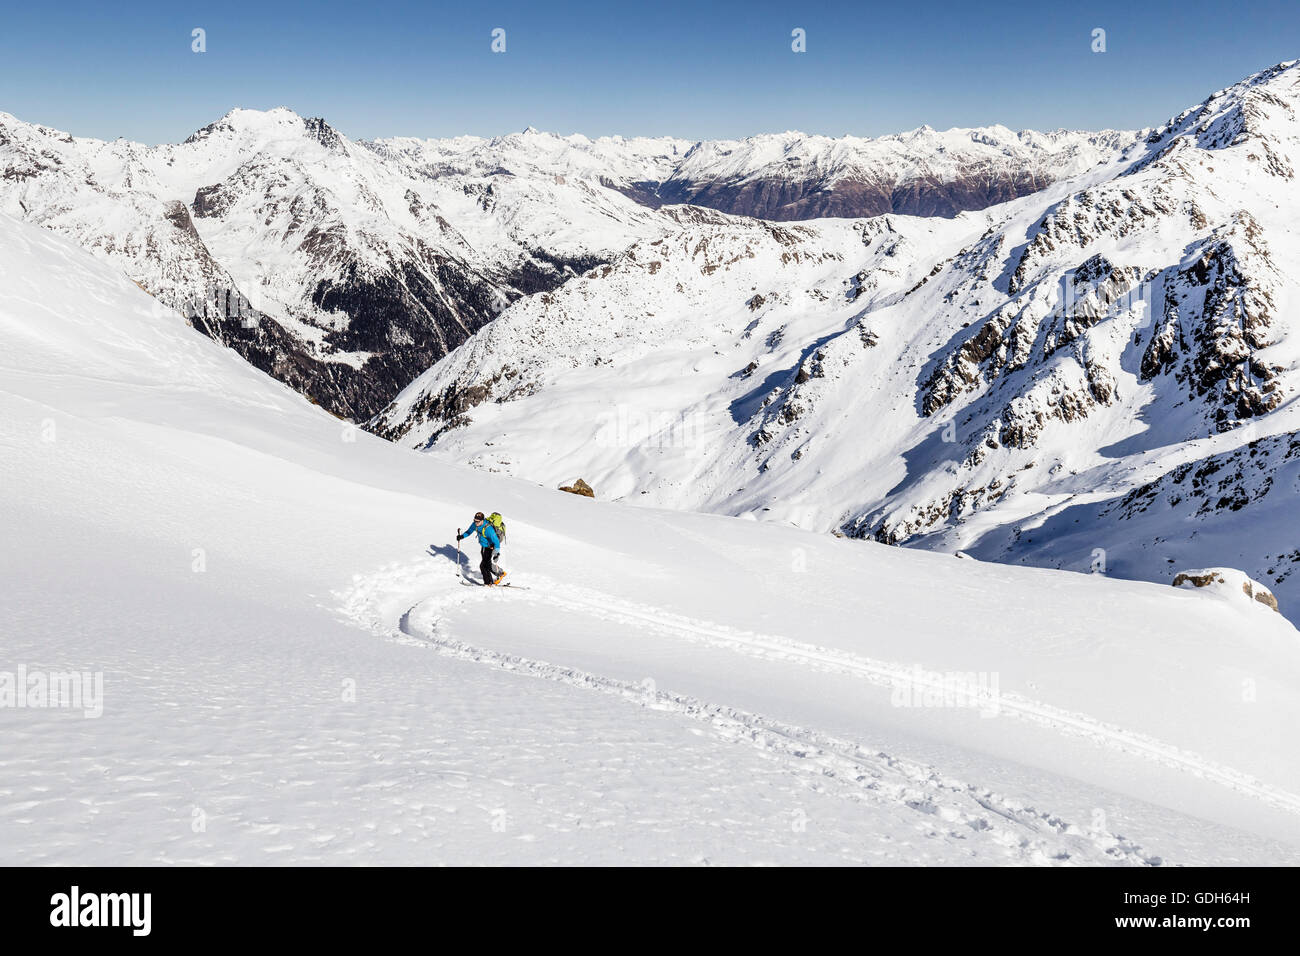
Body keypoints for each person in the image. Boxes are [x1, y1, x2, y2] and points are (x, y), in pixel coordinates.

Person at [457, 512, 506, 586]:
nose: (476, 522)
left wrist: (496, 553)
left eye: (478, 521)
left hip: (490, 547)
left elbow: (496, 542)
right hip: (484, 546)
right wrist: (462, 536)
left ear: (482, 520)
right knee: (487, 564)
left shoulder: (489, 529)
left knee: (483, 566)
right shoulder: (475, 524)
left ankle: (488, 582)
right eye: (475, 520)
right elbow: (469, 531)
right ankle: (499, 574)